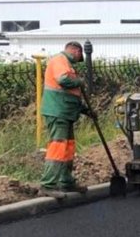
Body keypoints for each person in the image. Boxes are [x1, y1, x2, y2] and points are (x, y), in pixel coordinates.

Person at [39, 41, 92, 197]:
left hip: (66, 112)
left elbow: (71, 95)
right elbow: (63, 81)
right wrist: (80, 81)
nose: (78, 59)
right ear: (75, 50)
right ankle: (47, 185)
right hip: (57, 112)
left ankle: (66, 182)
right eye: (79, 56)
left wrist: (86, 111)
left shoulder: (68, 64)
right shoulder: (59, 61)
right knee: (58, 147)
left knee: (68, 147)